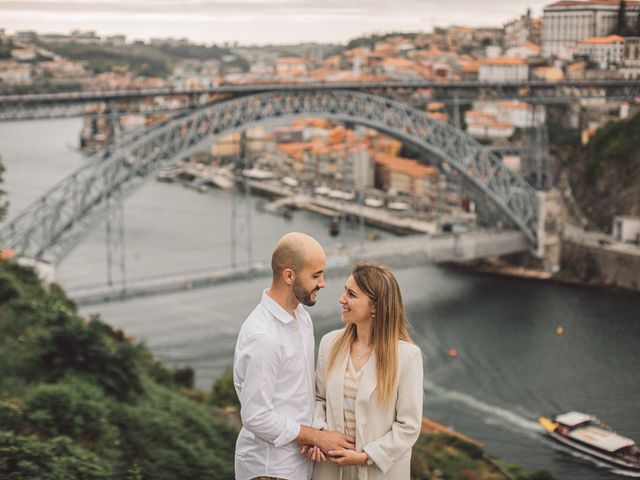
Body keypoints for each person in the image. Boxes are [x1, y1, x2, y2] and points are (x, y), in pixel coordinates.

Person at [233, 232, 355, 480]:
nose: (322, 283)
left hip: (297, 464)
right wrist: (317, 437)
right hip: (269, 470)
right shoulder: (263, 337)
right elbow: (256, 417)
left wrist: (313, 433)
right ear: (289, 276)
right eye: (316, 275)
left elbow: (299, 393)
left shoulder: (302, 318)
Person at [308, 262, 424, 480]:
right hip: (330, 470)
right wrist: (320, 434)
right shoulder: (329, 343)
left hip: (379, 473)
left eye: (351, 294)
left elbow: (408, 426)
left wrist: (364, 457)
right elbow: (318, 399)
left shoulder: (408, 357)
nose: (342, 299)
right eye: (345, 291)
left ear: (375, 306)